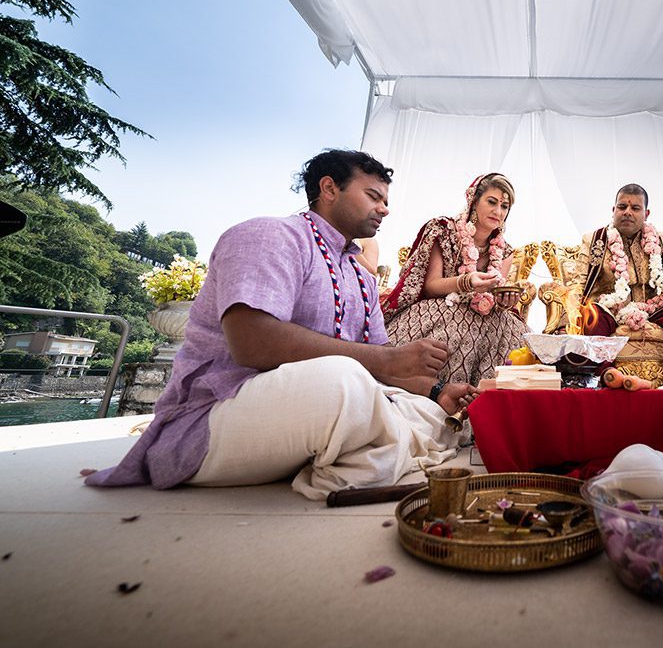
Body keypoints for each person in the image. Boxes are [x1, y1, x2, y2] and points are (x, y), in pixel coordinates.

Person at [85, 150, 479, 500]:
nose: (385, 209)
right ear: (329, 188)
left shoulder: (359, 275)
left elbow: (382, 366)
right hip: (216, 415)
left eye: (386, 201)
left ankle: (363, 447)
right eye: (374, 196)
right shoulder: (269, 235)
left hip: (303, 408)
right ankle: (363, 452)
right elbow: (252, 343)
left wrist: (438, 392)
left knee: (427, 412)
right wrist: (388, 363)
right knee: (344, 382)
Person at [578, 184, 663, 423]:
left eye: (635, 207)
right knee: (591, 314)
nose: (627, 211)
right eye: (622, 206)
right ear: (613, 210)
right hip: (611, 308)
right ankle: (608, 389)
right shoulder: (594, 240)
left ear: (646, 214)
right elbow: (578, 282)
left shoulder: (658, 239)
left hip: (654, 310)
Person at [383, 173, 527, 385]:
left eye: (505, 206)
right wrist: (467, 282)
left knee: (512, 340)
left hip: (486, 317)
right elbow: (431, 286)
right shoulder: (443, 230)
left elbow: (492, 295)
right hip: (441, 309)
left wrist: (504, 301)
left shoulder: (504, 251)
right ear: (474, 200)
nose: (498, 211)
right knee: (458, 328)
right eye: (492, 202)